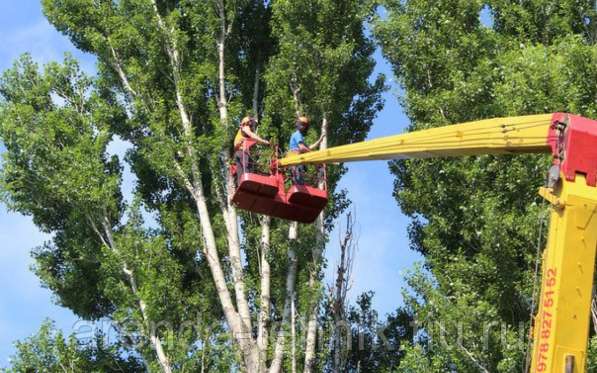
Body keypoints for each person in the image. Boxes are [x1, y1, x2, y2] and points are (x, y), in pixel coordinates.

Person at [288, 116, 324, 184]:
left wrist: (320, 140)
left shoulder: (299, 136)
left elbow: (309, 147)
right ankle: (320, 174)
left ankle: (320, 175)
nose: (303, 127)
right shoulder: (297, 134)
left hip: (296, 162)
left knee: (299, 182)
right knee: (299, 183)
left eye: (304, 125)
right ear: (298, 124)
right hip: (296, 161)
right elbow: (302, 148)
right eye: (302, 124)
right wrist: (313, 155)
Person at [234, 116, 270, 182]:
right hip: (242, 152)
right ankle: (248, 182)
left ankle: (241, 185)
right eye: (252, 123)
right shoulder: (245, 127)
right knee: (247, 167)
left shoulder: (242, 131)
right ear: (249, 122)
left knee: (240, 171)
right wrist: (265, 142)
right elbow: (252, 135)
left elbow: (255, 140)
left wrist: (262, 142)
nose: (253, 126)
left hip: (237, 152)